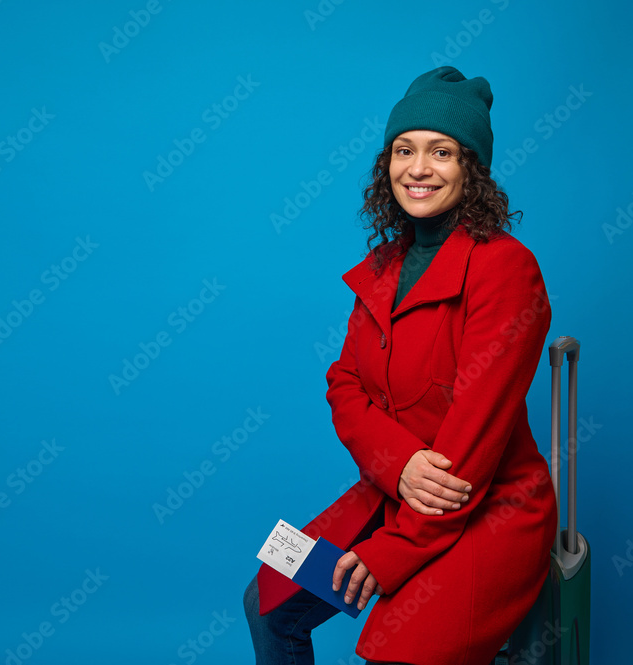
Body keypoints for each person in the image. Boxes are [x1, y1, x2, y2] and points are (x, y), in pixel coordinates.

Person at [244, 67, 558, 665]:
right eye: (403, 150)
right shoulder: (385, 264)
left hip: (486, 511)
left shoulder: (506, 269)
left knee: (397, 650)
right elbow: (344, 383)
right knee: (268, 590)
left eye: (441, 152)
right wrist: (400, 462)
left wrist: (392, 551)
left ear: (472, 168)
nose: (417, 168)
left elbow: (469, 446)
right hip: (391, 489)